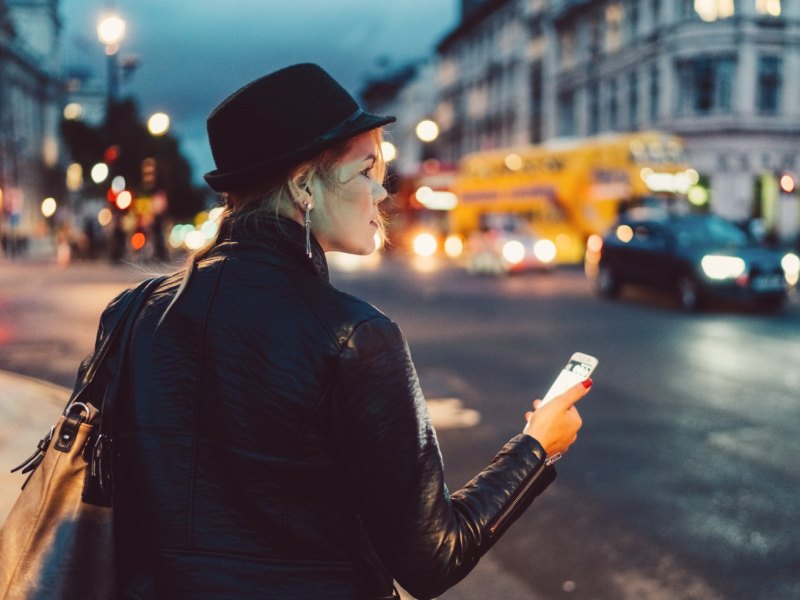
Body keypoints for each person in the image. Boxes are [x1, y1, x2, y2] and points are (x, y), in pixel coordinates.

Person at [106, 63, 590, 599]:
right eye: (365, 171)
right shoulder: (355, 336)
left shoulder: (131, 314)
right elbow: (433, 558)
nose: (382, 193)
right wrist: (535, 448)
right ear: (303, 185)